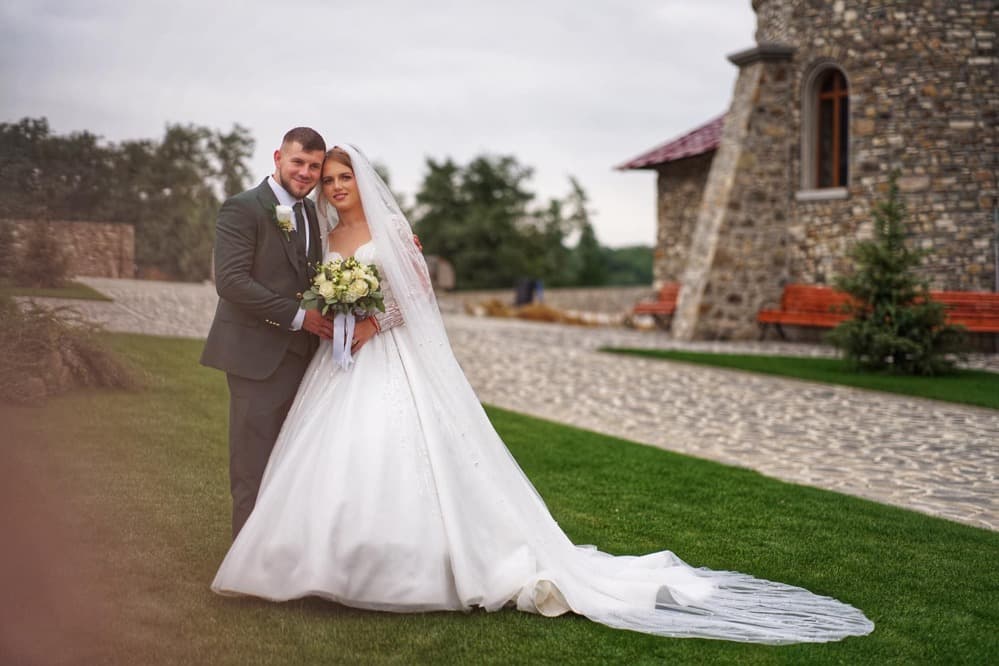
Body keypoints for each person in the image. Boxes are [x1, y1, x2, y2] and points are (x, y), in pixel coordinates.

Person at [211, 143, 874, 644]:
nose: (333, 186)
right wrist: (338, 322)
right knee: (330, 464)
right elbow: (305, 287)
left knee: (400, 460)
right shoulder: (322, 236)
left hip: (384, 358)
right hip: (337, 365)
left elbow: (416, 300)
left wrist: (370, 326)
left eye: (342, 175)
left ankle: (406, 568)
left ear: (361, 180)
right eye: (325, 179)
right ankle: (315, 565)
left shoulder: (391, 234)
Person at [200, 129, 401, 539]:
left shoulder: (316, 217)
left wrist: (398, 255)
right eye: (300, 164)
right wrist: (299, 317)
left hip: (310, 359)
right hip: (256, 356)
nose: (308, 174)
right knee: (252, 465)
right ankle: (246, 557)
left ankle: (284, 548)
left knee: (295, 463)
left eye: (317, 168)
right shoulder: (243, 208)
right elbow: (232, 282)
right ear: (278, 157)